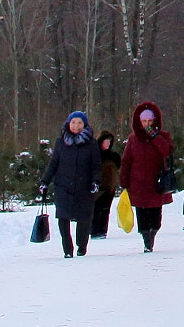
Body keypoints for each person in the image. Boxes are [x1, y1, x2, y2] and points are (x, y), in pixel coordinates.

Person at [38, 111, 102, 258]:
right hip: (63, 187)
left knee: (84, 219)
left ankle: (82, 246)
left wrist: (96, 181)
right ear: (68, 123)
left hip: (84, 188)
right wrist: (45, 181)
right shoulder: (61, 142)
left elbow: (96, 165)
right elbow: (53, 164)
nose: (76, 126)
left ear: (84, 125)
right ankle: (67, 249)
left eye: (79, 123)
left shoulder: (91, 144)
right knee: (63, 217)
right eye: (73, 122)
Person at [119, 100, 175, 253]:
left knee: (156, 217)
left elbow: (167, 151)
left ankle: (153, 234)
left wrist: (154, 136)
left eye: (150, 121)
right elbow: (126, 161)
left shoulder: (163, 136)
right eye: (144, 121)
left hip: (156, 183)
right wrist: (124, 181)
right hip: (137, 183)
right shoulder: (133, 139)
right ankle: (147, 241)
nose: (147, 124)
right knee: (142, 215)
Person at [89, 131, 121, 240]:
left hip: (110, 188)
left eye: (109, 142)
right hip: (98, 187)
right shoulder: (95, 155)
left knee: (105, 210)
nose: (108, 144)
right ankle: (94, 231)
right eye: (106, 141)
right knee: (96, 210)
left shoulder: (113, 156)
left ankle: (102, 231)